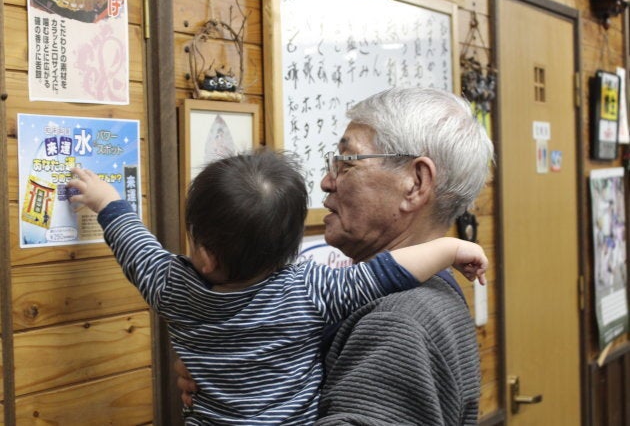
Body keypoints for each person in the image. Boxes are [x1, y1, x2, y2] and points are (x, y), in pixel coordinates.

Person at [67, 148, 488, 425]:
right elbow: (388, 272)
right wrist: (449, 247)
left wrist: (107, 201)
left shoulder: (171, 288)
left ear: (207, 257)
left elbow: (133, 244)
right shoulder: (312, 290)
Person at [176, 88, 494, 425]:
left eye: (346, 163)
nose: (327, 182)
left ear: (414, 183)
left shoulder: (398, 323)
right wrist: (232, 375)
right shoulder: (413, 296)